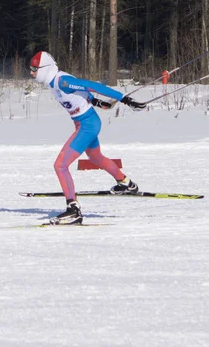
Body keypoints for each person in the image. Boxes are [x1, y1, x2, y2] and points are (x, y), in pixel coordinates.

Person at [29, 51, 147, 225]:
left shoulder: (63, 81)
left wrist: (123, 98)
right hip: (85, 123)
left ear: (45, 68)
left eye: (34, 69)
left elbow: (91, 85)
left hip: (87, 126)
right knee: (95, 157)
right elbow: (82, 94)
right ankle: (126, 183)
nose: (31, 72)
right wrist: (95, 102)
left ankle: (73, 210)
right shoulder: (52, 81)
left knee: (60, 165)